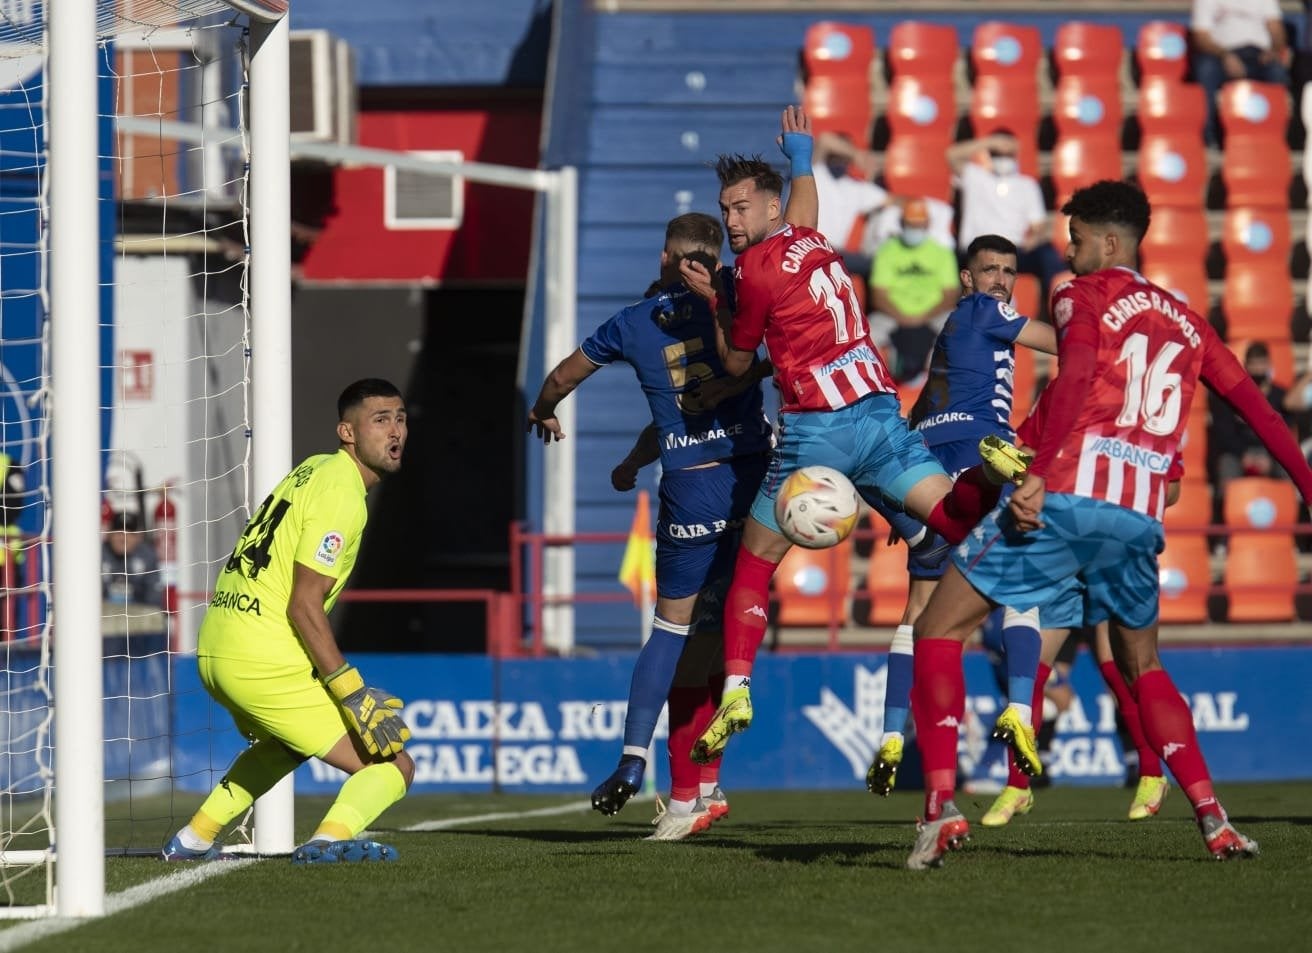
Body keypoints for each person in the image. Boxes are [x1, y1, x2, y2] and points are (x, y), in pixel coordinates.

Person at [904, 179, 1312, 869]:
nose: (1068, 249)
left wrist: (1030, 470)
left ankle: (938, 805)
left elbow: (1076, 376)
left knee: (936, 627)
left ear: (1110, 241)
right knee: (1143, 662)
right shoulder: (1188, 319)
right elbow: (1256, 409)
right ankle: (1214, 819)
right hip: (1138, 517)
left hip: (1065, 500)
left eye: (1077, 236)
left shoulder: (1078, 294)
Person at [677, 114, 1030, 767]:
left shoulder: (753, 269)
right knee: (951, 518)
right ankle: (989, 474)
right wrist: (803, 154)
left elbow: (734, 363)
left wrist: (713, 299)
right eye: (724, 209)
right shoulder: (812, 239)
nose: (729, 219)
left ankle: (737, 689)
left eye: (740, 206)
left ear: (769, 206)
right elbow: (803, 202)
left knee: (755, 560)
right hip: (880, 412)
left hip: (819, 430)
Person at [526, 209, 780, 841]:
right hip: (754, 478)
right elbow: (777, 360)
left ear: (666, 257)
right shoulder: (744, 300)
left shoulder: (633, 322)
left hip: (693, 485)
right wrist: (634, 460)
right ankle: (704, 786)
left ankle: (636, 760)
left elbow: (562, 375)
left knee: (671, 629)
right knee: (719, 630)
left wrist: (544, 409)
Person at [162, 379, 414, 864]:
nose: (395, 430)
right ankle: (325, 842)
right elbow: (304, 604)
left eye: (400, 417)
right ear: (348, 431)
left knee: (286, 744)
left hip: (218, 642)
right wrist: (351, 690)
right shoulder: (344, 495)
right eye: (379, 420)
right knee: (393, 766)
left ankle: (194, 838)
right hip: (262, 654)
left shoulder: (312, 469)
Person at [864, 233, 1059, 798]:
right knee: (1022, 589)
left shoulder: (949, 335)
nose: (1001, 280)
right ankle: (1019, 711)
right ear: (966, 279)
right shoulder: (987, 310)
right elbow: (1062, 343)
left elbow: (922, 406)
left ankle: (890, 738)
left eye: (1009, 271)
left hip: (931, 470)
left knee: (920, 609)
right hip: (985, 456)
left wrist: (911, 492)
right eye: (989, 269)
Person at [947, 131, 1067, 307]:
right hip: (976, 249)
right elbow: (951, 155)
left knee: (1048, 254)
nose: (1003, 158)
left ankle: (1061, 306)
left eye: (1008, 154)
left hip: (1014, 250)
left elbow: (1038, 225)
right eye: (997, 154)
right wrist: (990, 141)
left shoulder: (1027, 185)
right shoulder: (975, 177)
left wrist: (1034, 239)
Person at [866, 198, 960, 382]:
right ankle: (873, 387)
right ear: (902, 223)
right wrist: (904, 318)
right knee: (866, 335)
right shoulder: (887, 251)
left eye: (918, 225)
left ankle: (939, 383)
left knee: (959, 330)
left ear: (927, 224)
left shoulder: (942, 253)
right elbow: (878, 295)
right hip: (893, 315)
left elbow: (950, 295)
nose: (914, 229)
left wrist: (921, 317)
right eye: (910, 224)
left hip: (933, 314)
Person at [1191, 0, 1290, 146]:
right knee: (1206, 69)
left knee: (1276, 71)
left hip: (1259, 54)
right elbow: (1201, 37)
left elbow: (1276, 29)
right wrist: (1225, 56)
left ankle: (1276, 138)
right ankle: (1208, 140)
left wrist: (1274, 50)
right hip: (1220, 54)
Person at [1208, 340, 1293, 503]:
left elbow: (1284, 434)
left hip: (1272, 454)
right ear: (1246, 366)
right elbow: (1224, 432)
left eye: (1262, 364)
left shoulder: (1280, 396)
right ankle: (1223, 521)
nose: (1258, 369)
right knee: (1227, 467)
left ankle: (1294, 521)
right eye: (1254, 364)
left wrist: (1270, 457)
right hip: (1238, 453)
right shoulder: (1232, 395)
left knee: (1290, 470)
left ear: (1269, 365)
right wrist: (1243, 455)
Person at [812, 130, 889, 279]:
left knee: (884, 265)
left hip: (835, 254)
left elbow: (893, 201)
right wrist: (856, 155)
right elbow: (824, 140)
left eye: (843, 157)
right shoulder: (815, 172)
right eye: (838, 154)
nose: (840, 160)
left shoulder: (856, 187)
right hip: (807, 248)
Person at [101, 510, 164, 609]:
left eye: (129, 533)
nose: (123, 538)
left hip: (138, 618)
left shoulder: (147, 556)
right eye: (118, 532)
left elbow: (154, 601)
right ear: (109, 534)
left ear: (138, 537)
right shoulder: (98, 555)